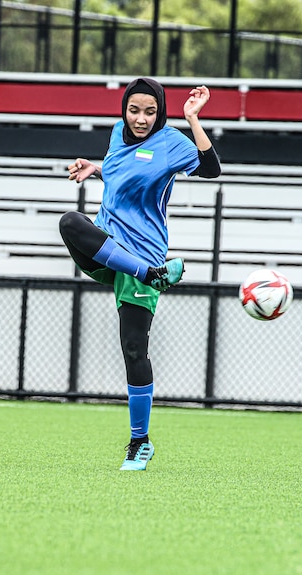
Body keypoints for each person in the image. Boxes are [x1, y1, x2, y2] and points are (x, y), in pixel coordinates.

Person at [58, 78, 221, 471]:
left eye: (150, 111)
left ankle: (139, 442)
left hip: (143, 251)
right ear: (124, 111)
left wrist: (192, 118)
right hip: (111, 251)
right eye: (134, 110)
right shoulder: (118, 133)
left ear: (160, 111)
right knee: (70, 222)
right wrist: (95, 169)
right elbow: (123, 173)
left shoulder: (172, 143)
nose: (142, 118)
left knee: (133, 349)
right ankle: (152, 275)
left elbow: (212, 170)